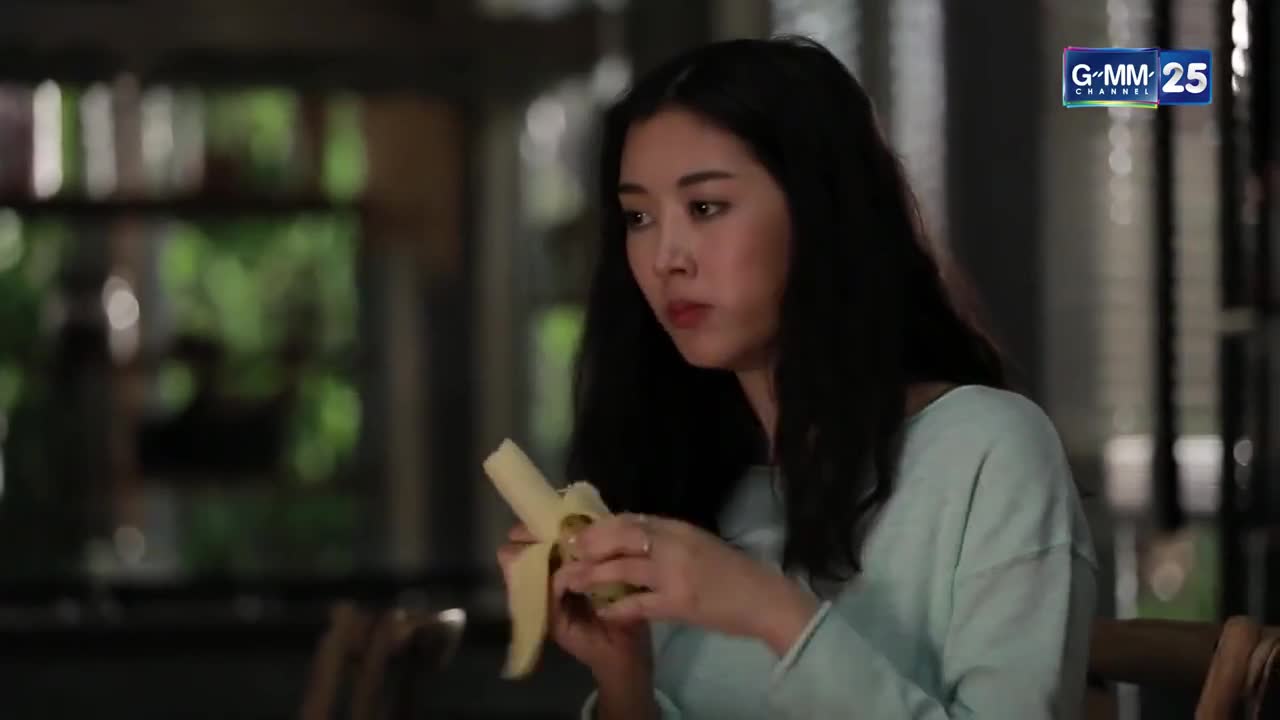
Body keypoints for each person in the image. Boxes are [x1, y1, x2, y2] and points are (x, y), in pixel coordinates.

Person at [497, 36, 1097, 720]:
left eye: (705, 207)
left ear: (820, 213)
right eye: (639, 216)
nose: (665, 257)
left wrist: (766, 610)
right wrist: (624, 678)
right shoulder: (695, 486)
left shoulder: (989, 453)